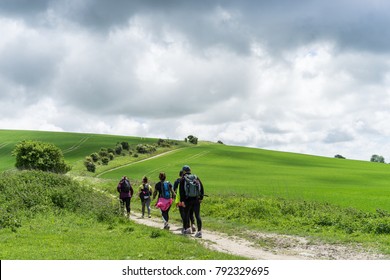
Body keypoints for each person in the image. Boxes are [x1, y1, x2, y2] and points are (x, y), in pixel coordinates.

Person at [179, 165, 204, 238]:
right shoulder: (196, 177)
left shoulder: (183, 179)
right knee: (197, 215)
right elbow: (201, 187)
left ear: (183, 171)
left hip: (187, 199)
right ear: (190, 170)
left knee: (186, 214)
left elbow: (181, 191)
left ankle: (187, 229)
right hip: (196, 199)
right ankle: (199, 232)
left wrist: (182, 201)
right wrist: (201, 198)